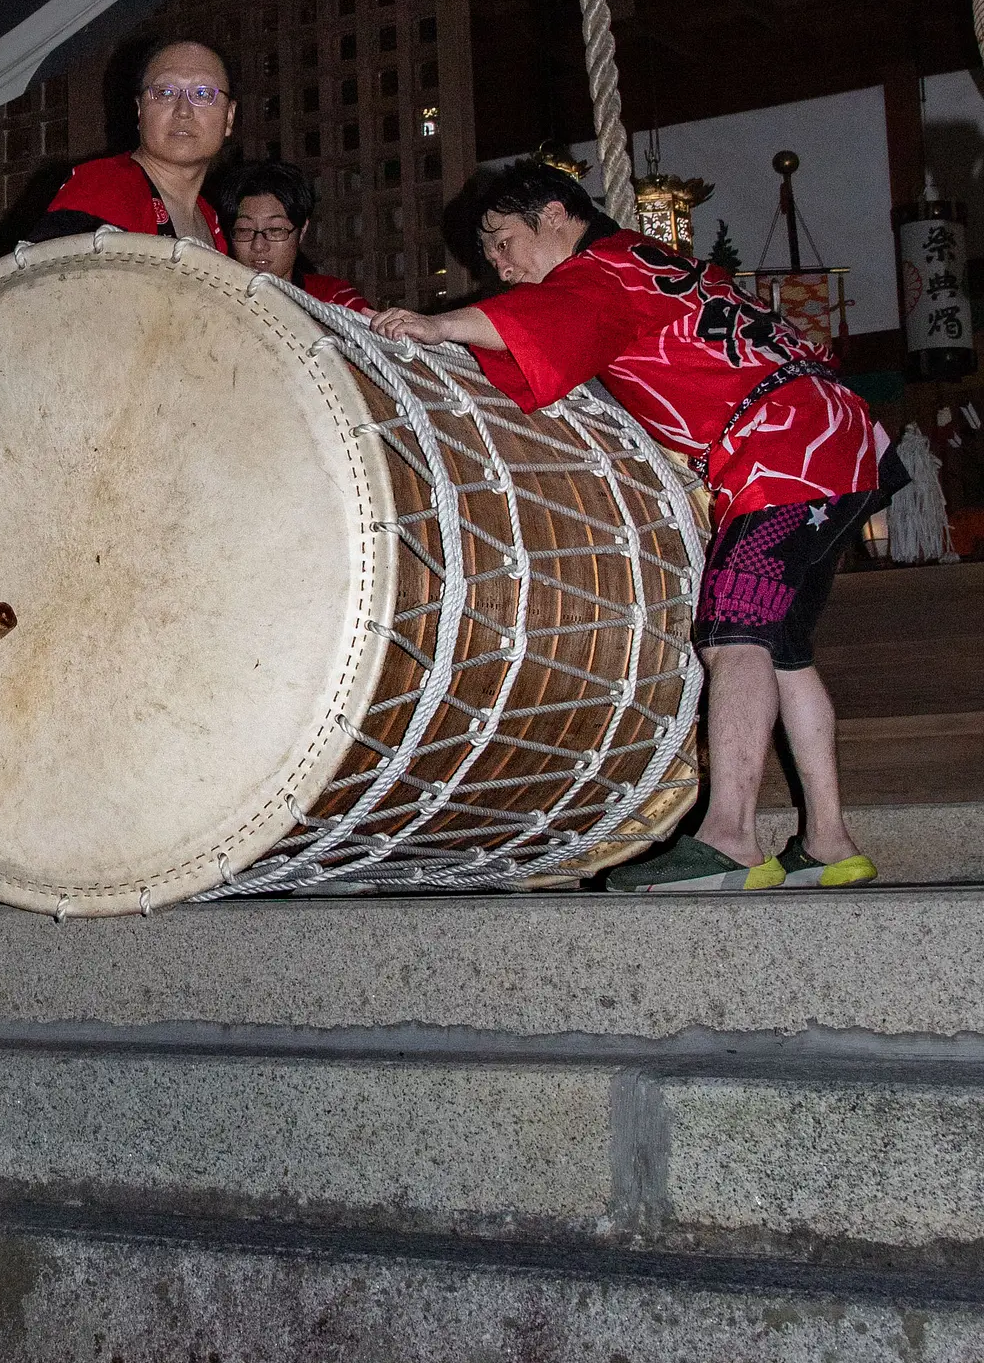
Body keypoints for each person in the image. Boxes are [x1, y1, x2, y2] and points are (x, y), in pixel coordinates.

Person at [370, 157, 903, 895]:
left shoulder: (602, 271)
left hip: (784, 450)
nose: (495, 265)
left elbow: (539, 324)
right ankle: (829, 840)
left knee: (735, 635)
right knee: (782, 649)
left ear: (554, 217)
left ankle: (731, 837)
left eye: (502, 242)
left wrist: (432, 324)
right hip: (833, 437)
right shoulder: (655, 264)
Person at [33, 38, 235, 249]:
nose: (183, 111)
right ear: (140, 111)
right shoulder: (103, 187)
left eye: (203, 94)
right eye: (165, 93)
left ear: (229, 117)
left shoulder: (210, 217)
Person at [221, 159, 369, 312]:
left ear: (302, 230)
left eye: (275, 230)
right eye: (244, 230)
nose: (258, 246)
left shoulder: (332, 299)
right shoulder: (214, 297)